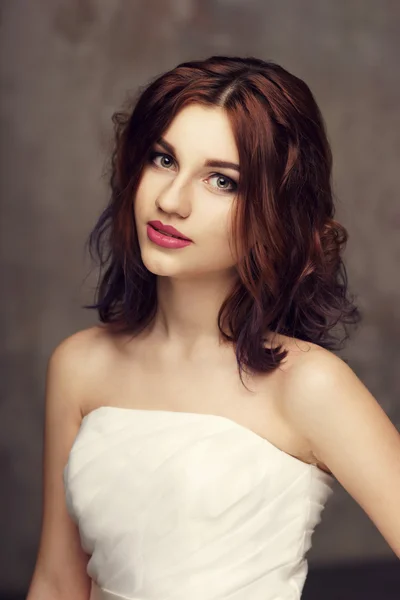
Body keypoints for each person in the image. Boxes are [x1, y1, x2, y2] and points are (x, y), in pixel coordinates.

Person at [27, 56, 400, 600]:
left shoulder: (309, 384)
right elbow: (58, 583)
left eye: (221, 180)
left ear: (278, 210)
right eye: (163, 159)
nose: (171, 201)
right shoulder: (80, 365)